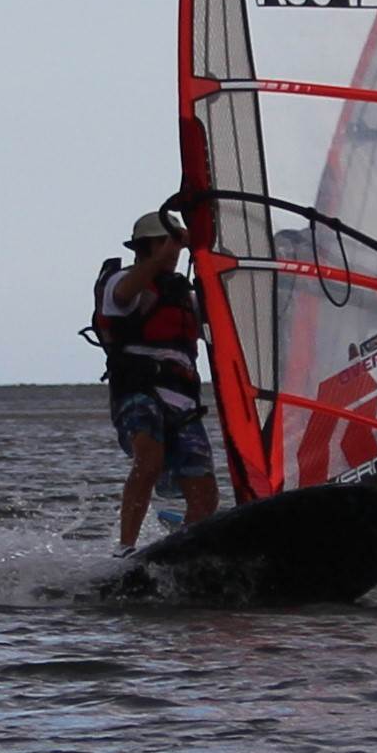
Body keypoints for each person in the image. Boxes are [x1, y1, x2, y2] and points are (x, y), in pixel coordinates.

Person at [91, 210, 219, 549]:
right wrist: (167, 250)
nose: (174, 253)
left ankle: (187, 550)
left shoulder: (186, 297)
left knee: (206, 494)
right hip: (138, 391)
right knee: (149, 460)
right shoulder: (122, 282)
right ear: (146, 246)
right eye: (166, 244)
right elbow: (121, 298)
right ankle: (126, 547)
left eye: (177, 246)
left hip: (183, 400)